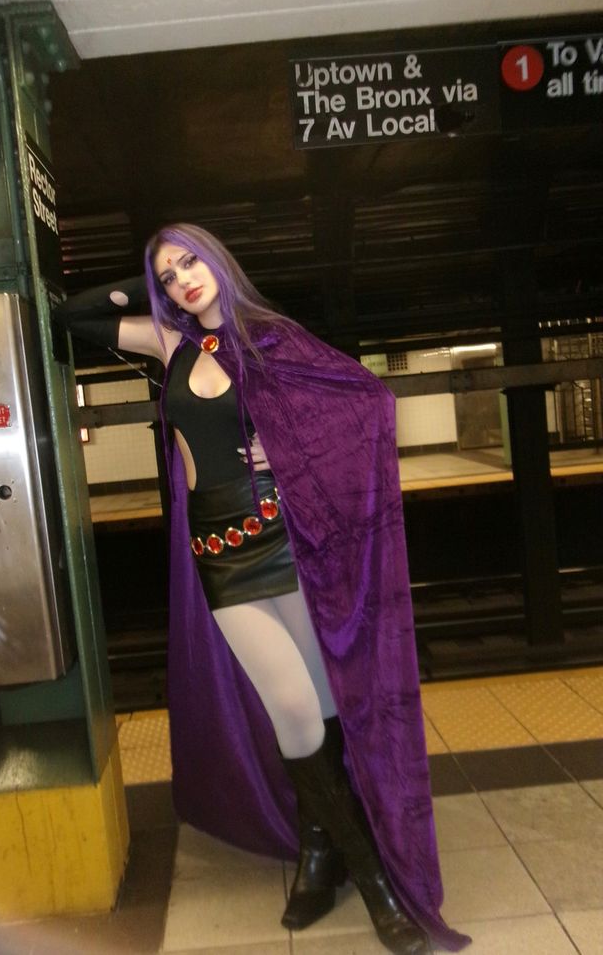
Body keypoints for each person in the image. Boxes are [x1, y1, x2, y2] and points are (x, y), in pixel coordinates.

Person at [55, 223, 470, 954]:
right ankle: (377, 889)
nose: (184, 279)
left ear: (218, 260)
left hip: (292, 545)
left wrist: (285, 447)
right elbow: (74, 315)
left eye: (190, 261)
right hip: (224, 558)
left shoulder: (272, 337)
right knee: (295, 711)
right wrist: (140, 290)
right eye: (169, 273)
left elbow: (364, 401)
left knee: (321, 704)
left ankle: (321, 854)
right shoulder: (169, 342)